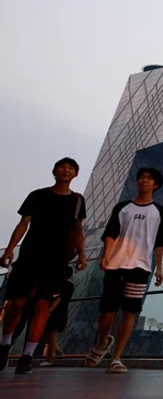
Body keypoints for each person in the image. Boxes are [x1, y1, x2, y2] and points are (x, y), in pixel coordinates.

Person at [0, 157, 87, 374]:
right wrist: (11, 248)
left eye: (70, 168)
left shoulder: (77, 200)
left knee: (42, 306)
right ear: (54, 171)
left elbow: (78, 230)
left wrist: (82, 255)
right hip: (30, 254)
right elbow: (23, 224)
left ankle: (27, 356)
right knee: (17, 303)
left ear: (75, 174)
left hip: (56, 260)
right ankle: (4, 344)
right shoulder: (38, 195)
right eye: (62, 167)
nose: (66, 170)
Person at [85, 167, 163, 374]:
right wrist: (106, 255)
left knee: (130, 312)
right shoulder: (123, 207)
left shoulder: (159, 211)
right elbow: (111, 233)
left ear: (155, 185)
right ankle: (103, 341)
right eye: (141, 177)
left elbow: (160, 242)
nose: (144, 180)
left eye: (149, 179)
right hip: (115, 265)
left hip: (140, 267)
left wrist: (159, 268)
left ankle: (116, 357)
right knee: (107, 312)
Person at [10, 266, 74, 367]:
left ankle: (50, 358)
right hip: (59, 311)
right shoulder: (69, 285)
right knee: (46, 334)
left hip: (55, 311)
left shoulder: (64, 284)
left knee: (50, 334)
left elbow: (59, 298)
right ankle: (58, 352)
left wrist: (50, 310)